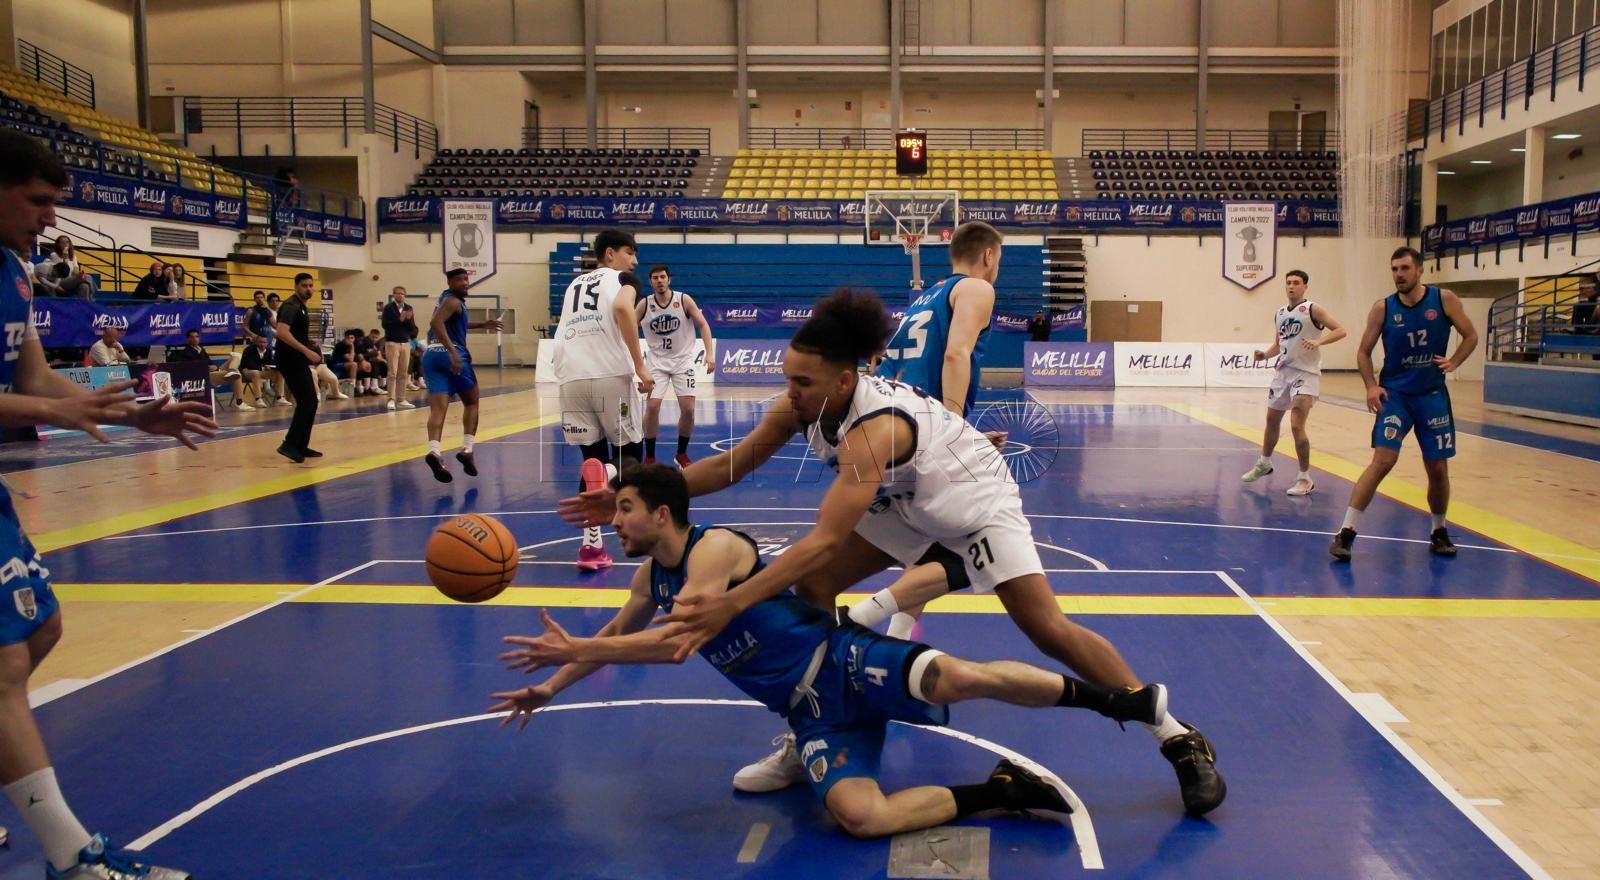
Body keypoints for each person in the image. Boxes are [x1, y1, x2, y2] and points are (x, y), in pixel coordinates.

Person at [560, 288, 1226, 817]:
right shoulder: (801, 407)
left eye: (804, 381)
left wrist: (731, 602)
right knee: (811, 588)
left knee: (1045, 628)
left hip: (971, 501)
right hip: (907, 503)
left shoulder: (870, 433)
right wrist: (628, 487)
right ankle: (812, 725)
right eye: (788, 378)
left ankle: (1174, 734)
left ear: (846, 379)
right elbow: (726, 468)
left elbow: (822, 536)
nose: (791, 392)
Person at [494, 464, 1168, 839]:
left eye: (625, 510)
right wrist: (550, 689)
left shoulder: (716, 548)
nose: (615, 524)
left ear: (662, 515)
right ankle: (998, 791)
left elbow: (677, 643)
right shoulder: (652, 576)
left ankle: (1118, 700)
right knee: (859, 816)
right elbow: (616, 639)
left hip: (840, 659)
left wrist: (569, 648)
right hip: (810, 709)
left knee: (960, 677)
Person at [0, 126, 206, 880]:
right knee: (5, 666)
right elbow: (40, 405)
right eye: (37, 202)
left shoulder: (14, 270)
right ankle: (74, 858)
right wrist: (51, 415)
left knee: (43, 629)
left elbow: (41, 379)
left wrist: (129, 414)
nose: (49, 220)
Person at [1329, 246, 1479, 561]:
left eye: (1405, 268)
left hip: (1432, 395)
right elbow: (1363, 352)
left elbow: (1471, 336)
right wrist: (1371, 385)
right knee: (1382, 461)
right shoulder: (1382, 308)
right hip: (1395, 395)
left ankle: (1438, 530)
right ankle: (1346, 532)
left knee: (1437, 467)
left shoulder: (1444, 300)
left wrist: (1454, 361)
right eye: (1394, 269)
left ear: (1419, 270)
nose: (1399, 274)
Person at [553, 229, 653, 570]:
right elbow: (624, 308)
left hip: (570, 378)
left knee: (589, 459)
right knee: (631, 458)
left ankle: (591, 548)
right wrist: (640, 365)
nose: (635, 261)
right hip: (610, 374)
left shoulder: (571, 286)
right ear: (610, 254)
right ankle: (611, 473)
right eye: (631, 252)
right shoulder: (623, 278)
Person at [876, 221, 1003, 418]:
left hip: (884, 408)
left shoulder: (926, 298)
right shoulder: (977, 288)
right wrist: (954, 429)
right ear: (989, 256)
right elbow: (955, 354)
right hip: (918, 415)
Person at [1241, 269, 1346, 496]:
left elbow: (1340, 330)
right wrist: (1265, 355)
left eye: (1296, 283)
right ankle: (1264, 463)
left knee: (1297, 425)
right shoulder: (1279, 313)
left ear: (1305, 286)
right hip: (1283, 373)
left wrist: (1319, 341)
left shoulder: (1312, 309)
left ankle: (1304, 477)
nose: (1291, 286)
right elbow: (1279, 344)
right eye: (1288, 283)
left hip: (1305, 373)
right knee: (1271, 420)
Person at [421, 268, 502, 483]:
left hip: (430, 355)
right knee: (472, 402)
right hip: (450, 354)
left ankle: (435, 452)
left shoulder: (446, 301)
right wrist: (453, 352)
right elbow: (435, 323)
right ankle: (467, 449)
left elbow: (454, 323)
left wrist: (482, 324)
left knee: (438, 408)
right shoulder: (454, 301)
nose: (465, 283)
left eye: (466, 279)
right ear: (450, 282)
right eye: (459, 280)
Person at [634, 265, 714, 467]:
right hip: (657, 363)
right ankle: (650, 455)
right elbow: (628, 328)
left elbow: (703, 324)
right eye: (654, 278)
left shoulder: (683, 300)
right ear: (650, 281)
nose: (659, 280)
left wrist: (709, 354)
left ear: (669, 279)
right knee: (652, 406)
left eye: (662, 277)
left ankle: (681, 453)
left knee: (688, 409)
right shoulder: (644, 304)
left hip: (682, 361)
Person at [274, 272, 322, 463]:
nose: (308, 289)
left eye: (311, 285)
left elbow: (292, 333)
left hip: (296, 358)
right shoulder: (291, 306)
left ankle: (300, 444)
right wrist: (306, 350)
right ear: (296, 286)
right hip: (290, 359)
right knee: (308, 401)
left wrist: (306, 341)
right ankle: (290, 444)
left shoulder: (301, 307)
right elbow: (282, 332)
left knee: (309, 401)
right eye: (304, 285)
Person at [381, 286, 416, 409]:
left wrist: (408, 321)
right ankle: (391, 399)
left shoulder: (408, 308)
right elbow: (385, 325)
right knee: (392, 372)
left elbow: (412, 326)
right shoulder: (388, 308)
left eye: (402, 294)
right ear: (393, 295)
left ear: (405, 295)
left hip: (405, 342)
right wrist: (399, 319)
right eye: (397, 293)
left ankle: (402, 399)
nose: (400, 295)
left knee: (403, 373)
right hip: (392, 342)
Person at [239, 333, 289, 409]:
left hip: (261, 371)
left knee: (280, 372)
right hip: (247, 372)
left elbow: (270, 363)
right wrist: (264, 367)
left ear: (267, 343)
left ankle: (280, 397)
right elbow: (249, 365)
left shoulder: (268, 351)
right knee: (255, 373)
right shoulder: (249, 350)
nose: (262, 344)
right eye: (260, 342)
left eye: (264, 342)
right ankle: (258, 399)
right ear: (256, 342)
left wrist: (276, 367)